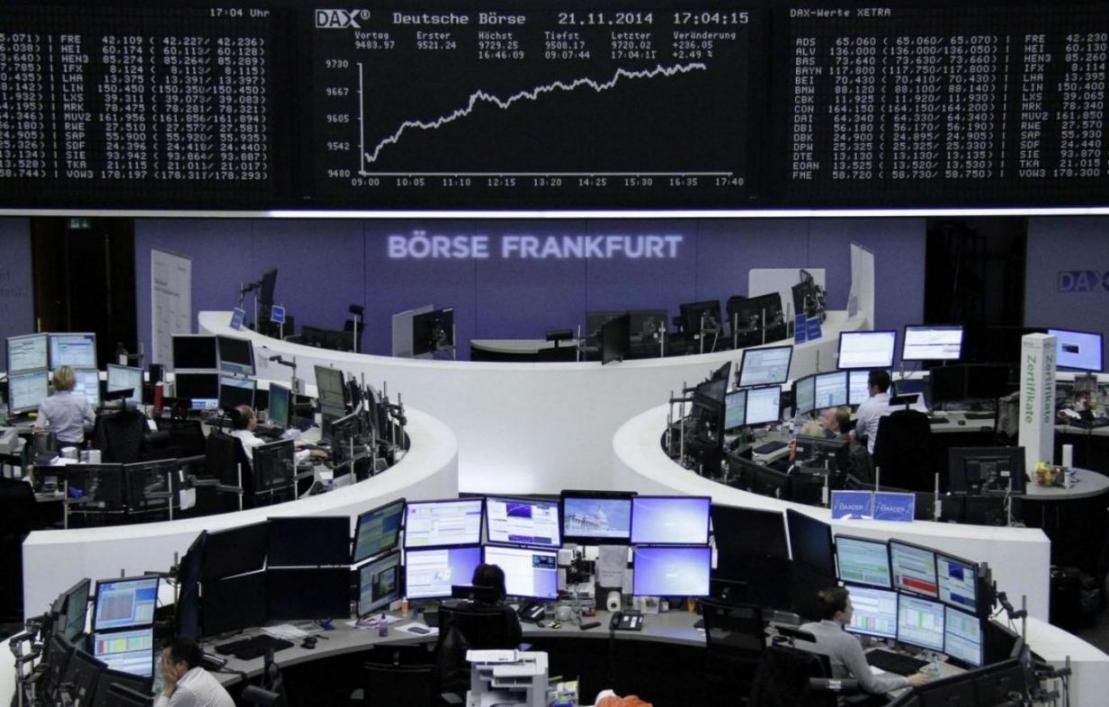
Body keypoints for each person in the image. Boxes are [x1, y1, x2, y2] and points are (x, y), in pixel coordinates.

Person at [799, 587, 930, 696]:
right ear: (839, 614)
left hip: (810, 695)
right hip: (836, 697)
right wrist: (908, 680)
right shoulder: (847, 642)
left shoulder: (804, 629)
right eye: (849, 607)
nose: (853, 609)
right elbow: (872, 686)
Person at [228, 404, 326, 465]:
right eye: (254, 416)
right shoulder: (255, 443)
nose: (256, 419)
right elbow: (282, 463)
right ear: (250, 421)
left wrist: (289, 447)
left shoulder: (232, 436)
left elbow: (270, 453)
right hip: (262, 484)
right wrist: (309, 452)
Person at [154, 637, 234, 707]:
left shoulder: (186, 689)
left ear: (181, 665)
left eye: (165, 661)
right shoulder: (200, 673)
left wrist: (168, 688)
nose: (160, 664)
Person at [34, 365, 95, 445]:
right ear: (73, 383)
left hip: (55, 447)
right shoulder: (82, 401)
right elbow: (95, 422)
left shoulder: (46, 403)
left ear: (53, 382)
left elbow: (38, 430)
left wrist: (50, 428)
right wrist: (80, 424)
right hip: (77, 447)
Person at [470, 563, 523, 647]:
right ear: (501, 588)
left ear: (474, 585)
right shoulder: (508, 612)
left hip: (470, 655)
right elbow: (517, 639)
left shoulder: (462, 608)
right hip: (502, 655)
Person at [854, 368, 892, 454]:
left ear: (875, 388)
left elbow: (858, 432)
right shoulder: (897, 404)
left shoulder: (866, 406)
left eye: (868, 385)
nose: (867, 388)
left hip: (875, 457)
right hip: (895, 457)